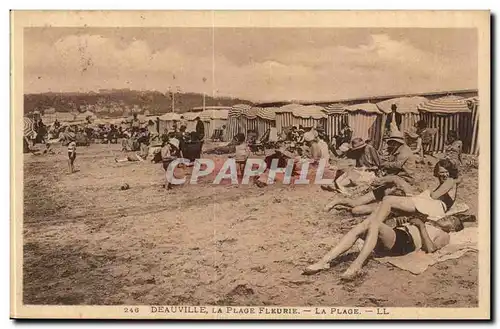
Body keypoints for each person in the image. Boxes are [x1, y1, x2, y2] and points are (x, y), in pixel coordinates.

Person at [304, 159, 461, 279]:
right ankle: (324, 261)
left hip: (414, 228)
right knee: (368, 221)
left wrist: (422, 212)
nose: (442, 175)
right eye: (440, 172)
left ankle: (356, 264)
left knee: (386, 204)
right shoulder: (434, 218)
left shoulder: (451, 181)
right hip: (411, 224)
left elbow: (434, 197)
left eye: (445, 171)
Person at [325, 131, 417, 216]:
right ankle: (338, 201)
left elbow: (396, 165)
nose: (390, 145)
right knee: (358, 203)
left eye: (392, 143)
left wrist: (383, 166)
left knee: (358, 209)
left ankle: (340, 202)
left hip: (402, 180)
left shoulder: (404, 151)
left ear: (397, 142)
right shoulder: (397, 150)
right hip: (392, 181)